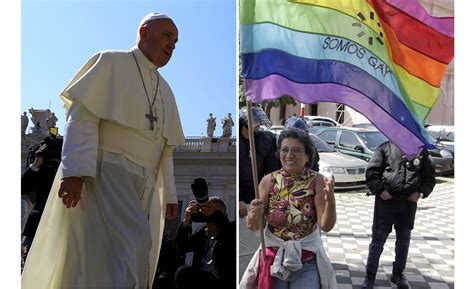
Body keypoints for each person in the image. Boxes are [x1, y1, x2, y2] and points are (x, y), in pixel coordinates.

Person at [21, 12, 185, 289]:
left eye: (176, 41)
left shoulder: (167, 91)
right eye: (167, 35)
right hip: (106, 172)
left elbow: (164, 149)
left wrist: (169, 192)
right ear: (144, 33)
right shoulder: (110, 62)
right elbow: (82, 119)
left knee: (119, 254)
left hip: (143, 182)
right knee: (127, 244)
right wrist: (74, 173)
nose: (172, 44)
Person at [241, 127, 338, 289]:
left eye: (296, 151)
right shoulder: (268, 181)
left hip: (306, 261)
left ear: (307, 156)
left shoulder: (317, 181)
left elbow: (326, 226)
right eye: (284, 150)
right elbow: (252, 227)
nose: (289, 155)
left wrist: (331, 203)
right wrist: (253, 214)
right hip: (275, 261)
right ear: (279, 154)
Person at [361, 141, 435, 289]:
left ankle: (398, 274)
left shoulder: (421, 151)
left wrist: (420, 192)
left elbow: (429, 177)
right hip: (386, 202)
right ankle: (370, 276)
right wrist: (380, 190)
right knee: (378, 240)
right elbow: (371, 173)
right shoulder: (384, 148)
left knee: (404, 240)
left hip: (408, 204)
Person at [175, 179, 235, 289]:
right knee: (181, 272)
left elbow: (229, 233)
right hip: (201, 280)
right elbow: (182, 246)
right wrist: (186, 221)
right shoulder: (203, 232)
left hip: (222, 282)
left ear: (224, 215)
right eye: (209, 213)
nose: (211, 217)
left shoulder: (231, 230)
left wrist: (216, 215)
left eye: (215, 213)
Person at [21, 136, 62, 265]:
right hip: (38, 224)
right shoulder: (41, 169)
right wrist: (36, 164)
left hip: (62, 225)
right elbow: (23, 189)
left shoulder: (72, 170)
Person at [238, 106, 280, 218]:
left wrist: (269, 197)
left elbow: (272, 171)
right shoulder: (237, 144)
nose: (258, 126)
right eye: (255, 123)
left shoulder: (264, 140)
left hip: (258, 192)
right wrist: (239, 198)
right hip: (241, 192)